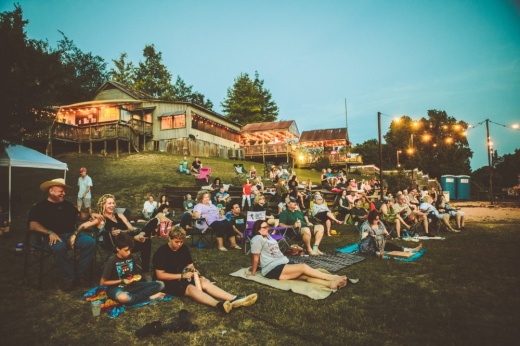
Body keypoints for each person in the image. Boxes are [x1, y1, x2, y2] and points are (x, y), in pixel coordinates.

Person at [153, 226, 257, 313]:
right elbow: (160, 275)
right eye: (176, 242)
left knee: (205, 282)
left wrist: (193, 271)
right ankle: (218, 305)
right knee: (190, 288)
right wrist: (182, 276)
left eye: (181, 241)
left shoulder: (184, 248)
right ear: (169, 239)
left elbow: (190, 265)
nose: (179, 244)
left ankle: (234, 298)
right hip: (168, 282)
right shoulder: (161, 252)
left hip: (184, 276)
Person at [29, 178, 97, 291]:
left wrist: (91, 215)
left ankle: (81, 275)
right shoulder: (40, 207)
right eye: (61, 191)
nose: (64, 193)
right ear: (51, 191)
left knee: (90, 243)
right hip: (52, 237)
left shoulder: (68, 205)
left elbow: (80, 216)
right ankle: (69, 278)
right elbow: (32, 225)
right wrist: (49, 232)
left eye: (64, 191)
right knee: (59, 248)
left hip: (72, 234)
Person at [248, 220, 349, 289]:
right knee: (303, 267)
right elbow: (256, 258)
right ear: (258, 230)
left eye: (268, 226)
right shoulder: (257, 239)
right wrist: (253, 273)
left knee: (305, 275)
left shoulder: (268, 236)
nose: (268, 228)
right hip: (272, 268)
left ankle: (330, 284)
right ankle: (333, 278)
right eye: (265, 227)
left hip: (283, 262)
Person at [80, 194, 155, 276]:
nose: (112, 205)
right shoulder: (101, 219)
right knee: (141, 237)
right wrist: (75, 234)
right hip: (115, 244)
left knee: (148, 236)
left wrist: (124, 231)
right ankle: (138, 236)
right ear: (103, 205)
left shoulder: (119, 215)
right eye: (109, 203)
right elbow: (83, 225)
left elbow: (131, 229)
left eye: (113, 203)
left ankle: (145, 271)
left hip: (130, 239)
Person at [100, 233, 165, 306]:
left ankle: (135, 297)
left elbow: (133, 274)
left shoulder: (130, 257)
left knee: (160, 284)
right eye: (126, 250)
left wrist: (135, 277)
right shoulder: (112, 261)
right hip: (116, 288)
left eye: (130, 250)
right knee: (123, 298)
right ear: (118, 248)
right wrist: (122, 280)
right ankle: (150, 297)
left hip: (132, 286)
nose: (129, 252)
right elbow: (102, 283)